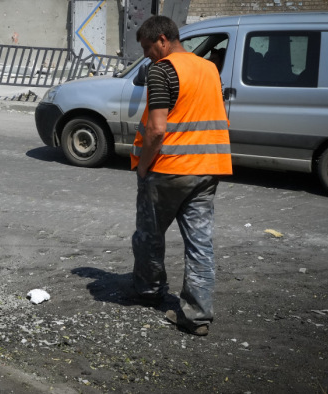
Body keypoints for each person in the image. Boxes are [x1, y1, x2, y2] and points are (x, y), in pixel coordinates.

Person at [130, 16, 232, 336]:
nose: (147, 55)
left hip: (170, 168)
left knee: (149, 234)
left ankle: (149, 292)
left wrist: (144, 165)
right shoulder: (208, 69)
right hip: (209, 168)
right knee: (200, 243)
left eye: (148, 48)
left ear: (163, 40)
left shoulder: (162, 70)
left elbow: (157, 129)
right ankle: (197, 315)